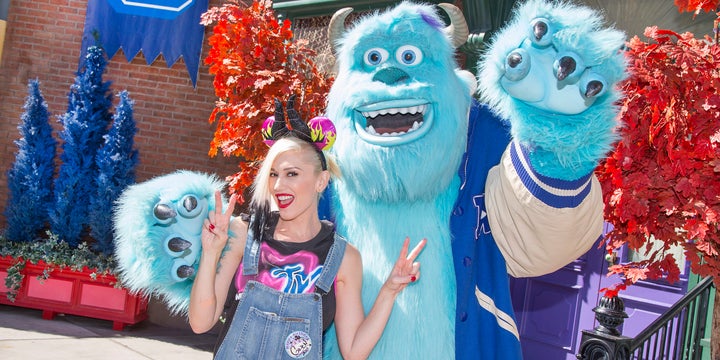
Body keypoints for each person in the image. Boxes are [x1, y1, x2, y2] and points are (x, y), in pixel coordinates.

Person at [188, 97, 426, 360]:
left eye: (292, 174)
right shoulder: (244, 234)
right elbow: (201, 322)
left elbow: (355, 351)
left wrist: (389, 290)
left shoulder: (343, 258)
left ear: (321, 181)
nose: (278, 186)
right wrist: (211, 253)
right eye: (273, 174)